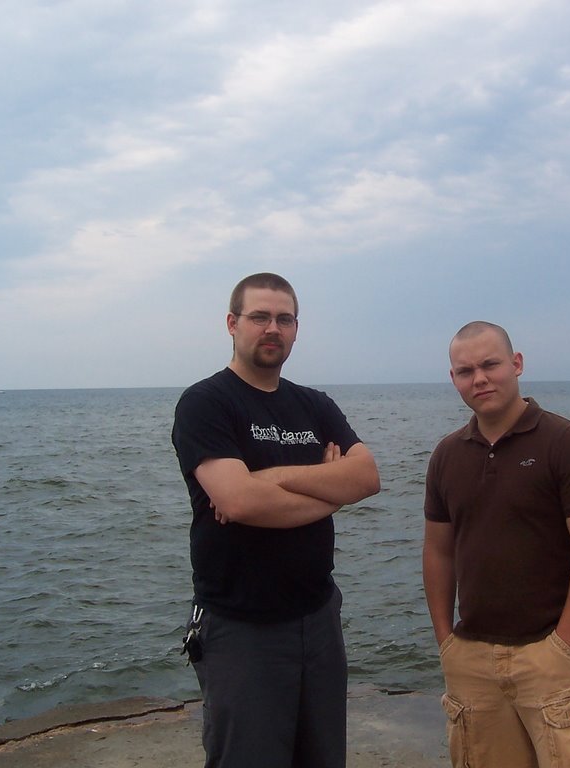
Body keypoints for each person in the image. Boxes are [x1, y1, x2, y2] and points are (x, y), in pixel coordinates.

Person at [171, 272, 380, 768]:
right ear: (232, 323)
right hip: (241, 628)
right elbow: (241, 503)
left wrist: (272, 477)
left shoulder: (314, 404)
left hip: (319, 618)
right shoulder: (206, 403)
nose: (273, 328)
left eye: (284, 319)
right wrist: (329, 492)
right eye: (260, 316)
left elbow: (367, 477)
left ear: (295, 329)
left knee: (324, 759)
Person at [423, 321, 570, 768]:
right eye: (465, 371)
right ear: (453, 379)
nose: (480, 379)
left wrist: (565, 644)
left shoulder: (565, 443)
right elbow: (438, 551)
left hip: (552, 653)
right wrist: (445, 641)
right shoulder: (447, 456)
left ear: (517, 364)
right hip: (472, 658)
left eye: (490, 365)